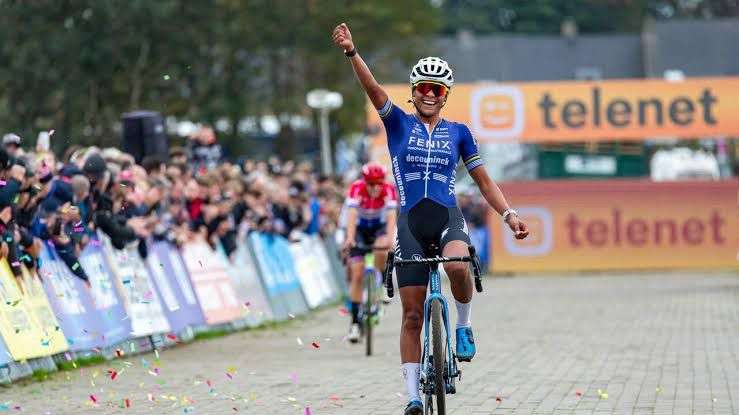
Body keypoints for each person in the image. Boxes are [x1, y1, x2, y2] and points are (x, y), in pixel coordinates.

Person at [333, 23, 530, 414]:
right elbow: (373, 91)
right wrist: (352, 53)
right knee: (411, 313)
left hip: (445, 216)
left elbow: (483, 179)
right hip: (409, 223)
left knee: (458, 264)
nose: (428, 94)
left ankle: (462, 325)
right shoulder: (398, 124)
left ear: (445, 96)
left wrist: (508, 214)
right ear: (413, 91)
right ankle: (411, 395)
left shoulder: (459, 132)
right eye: (422, 87)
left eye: (435, 89)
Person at [341, 162, 398, 343]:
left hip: (379, 228)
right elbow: (351, 215)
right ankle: (355, 323)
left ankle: (381, 285)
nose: (374, 187)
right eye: (370, 183)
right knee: (357, 273)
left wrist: (390, 239)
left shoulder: (388, 190)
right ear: (364, 181)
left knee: (382, 247)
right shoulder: (356, 188)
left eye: (378, 183)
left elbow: (390, 219)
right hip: (359, 229)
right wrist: (350, 238)